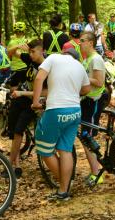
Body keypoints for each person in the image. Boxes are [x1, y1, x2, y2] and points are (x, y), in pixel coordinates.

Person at [31, 44, 91, 201]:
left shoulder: (53, 58)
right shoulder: (79, 66)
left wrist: (35, 102)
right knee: (65, 150)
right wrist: (72, 90)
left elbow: (39, 78)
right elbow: (86, 90)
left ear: (63, 53)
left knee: (44, 149)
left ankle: (64, 184)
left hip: (56, 110)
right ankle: (64, 191)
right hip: (75, 111)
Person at [4, 39, 42, 178]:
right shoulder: (30, 59)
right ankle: (16, 164)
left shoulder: (45, 67)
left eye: (33, 52)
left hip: (31, 103)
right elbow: (9, 53)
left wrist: (22, 93)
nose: (31, 54)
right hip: (19, 100)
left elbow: (43, 93)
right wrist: (17, 46)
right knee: (14, 132)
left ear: (42, 51)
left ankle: (9, 165)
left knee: (18, 131)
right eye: (29, 51)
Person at [77, 32, 108, 185]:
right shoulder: (87, 59)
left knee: (87, 137)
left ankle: (97, 174)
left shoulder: (96, 59)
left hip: (93, 101)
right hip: (86, 101)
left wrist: (80, 77)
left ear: (90, 42)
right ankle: (95, 170)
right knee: (86, 137)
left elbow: (100, 82)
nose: (79, 43)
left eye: (82, 40)